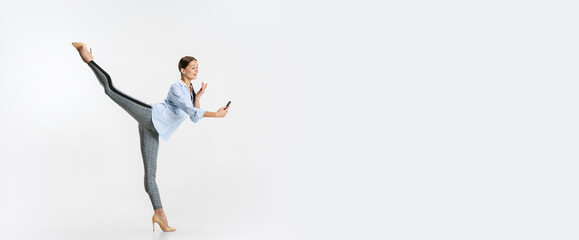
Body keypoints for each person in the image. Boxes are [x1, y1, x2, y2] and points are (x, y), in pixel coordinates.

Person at [71, 42, 230, 232]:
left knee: (150, 176)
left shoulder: (190, 90)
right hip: (150, 115)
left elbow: (193, 116)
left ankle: (159, 215)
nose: (196, 71)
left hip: (153, 129)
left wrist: (198, 97)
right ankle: (89, 60)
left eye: (198, 67)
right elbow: (189, 110)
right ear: (182, 69)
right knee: (111, 90)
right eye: (193, 67)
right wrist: (215, 114)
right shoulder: (176, 88)